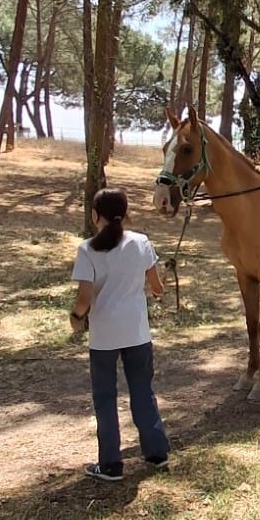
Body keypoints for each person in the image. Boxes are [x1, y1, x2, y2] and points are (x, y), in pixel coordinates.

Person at [70, 188, 170, 481]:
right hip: (137, 332)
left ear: (95, 215)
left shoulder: (87, 249)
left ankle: (111, 463)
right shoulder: (141, 242)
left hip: (104, 337)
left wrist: (76, 319)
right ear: (126, 213)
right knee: (142, 392)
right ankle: (156, 453)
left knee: (105, 397)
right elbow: (157, 287)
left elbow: (84, 298)